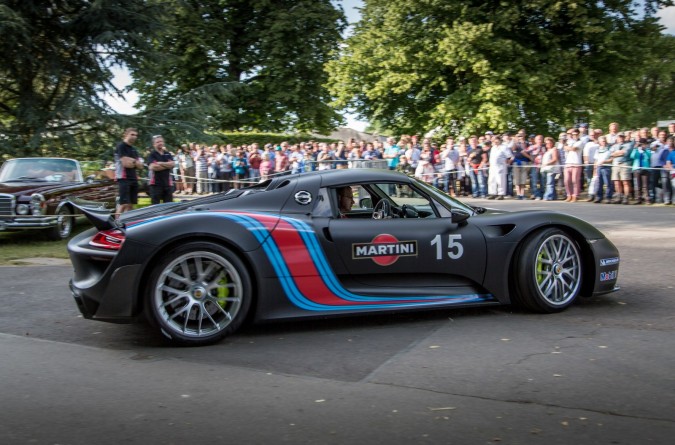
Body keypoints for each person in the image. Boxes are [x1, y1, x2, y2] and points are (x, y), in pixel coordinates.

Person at [114, 128, 143, 216]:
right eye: (132, 134)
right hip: (123, 178)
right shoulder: (121, 146)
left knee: (131, 205)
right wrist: (136, 162)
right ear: (126, 135)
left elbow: (141, 166)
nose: (134, 137)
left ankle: (128, 224)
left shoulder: (134, 149)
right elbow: (126, 163)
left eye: (136, 135)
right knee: (123, 204)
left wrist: (133, 161)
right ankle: (116, 224)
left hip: (133, 178)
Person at [146, 135, 175, 204]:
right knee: (155, 207)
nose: (160, 143)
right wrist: (167, 165)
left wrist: (160, 163)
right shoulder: (152, 155)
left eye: (161, 141)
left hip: (167, 184)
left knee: (168, 206)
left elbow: (173, 165)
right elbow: (153, 167)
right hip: (155, 184)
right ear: (154, 144)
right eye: (157, 142)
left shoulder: (167, 154)